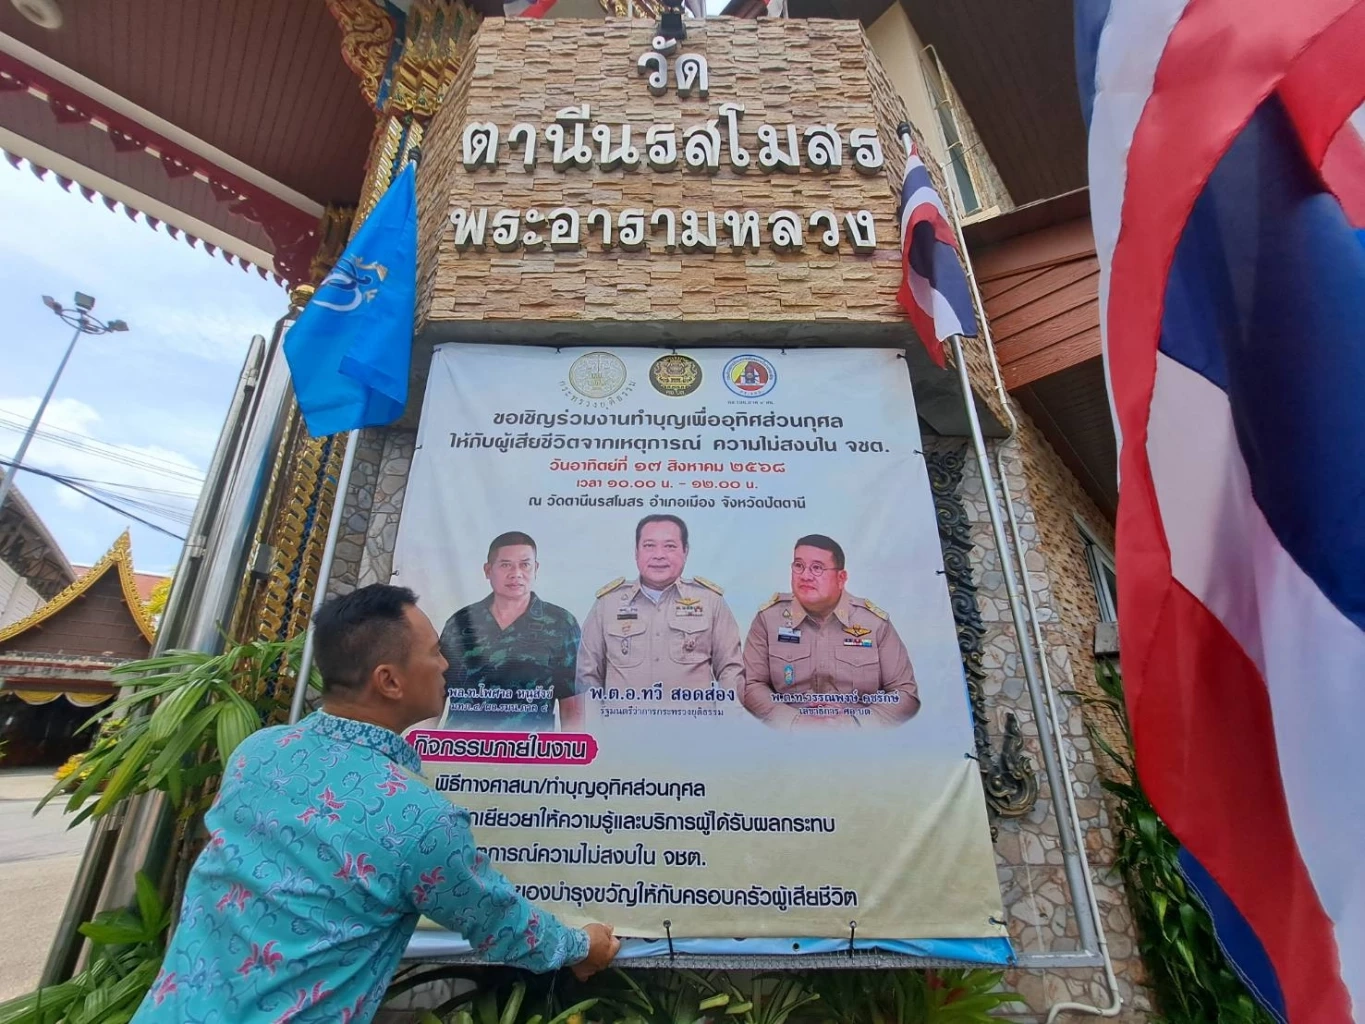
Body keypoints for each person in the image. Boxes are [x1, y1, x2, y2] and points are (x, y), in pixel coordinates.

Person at [130, 584, 618, 1024]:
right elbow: (499, 922)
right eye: (435, 653)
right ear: (389, 681)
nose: (446, 665)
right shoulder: (418, 818)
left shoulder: (256, 755)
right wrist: (584, 946)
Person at [568, 514, 743, 715]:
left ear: (685, 551)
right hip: (624, 730)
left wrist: (727, 722)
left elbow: (731, 670)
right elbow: (587, 675)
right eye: (649, 546)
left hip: (694, 729)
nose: (659, 555)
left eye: (670, 546)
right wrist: (598, 725)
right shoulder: (608, 604)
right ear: (636, 552)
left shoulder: (710, 601)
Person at [741, 534, 920, 729]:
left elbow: (905, 693)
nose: (805, 576)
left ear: (841, 578)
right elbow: (751, 684)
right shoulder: (769, 619)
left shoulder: (873, 623)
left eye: (817, 568)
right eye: (799, 565)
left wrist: (854, 723)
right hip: (789, 736)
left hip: (857, 738)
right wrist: (796, 721)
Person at [438, 531, 582, 731]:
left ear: (536, 568)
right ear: (488, 570)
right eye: (505, 565)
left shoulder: (561, 624)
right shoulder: (460, 622)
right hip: (463, 746)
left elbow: (572, 708)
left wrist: (568, 749)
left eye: (525, 565)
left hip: (530, 746)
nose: (516, 573)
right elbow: (435, 697)